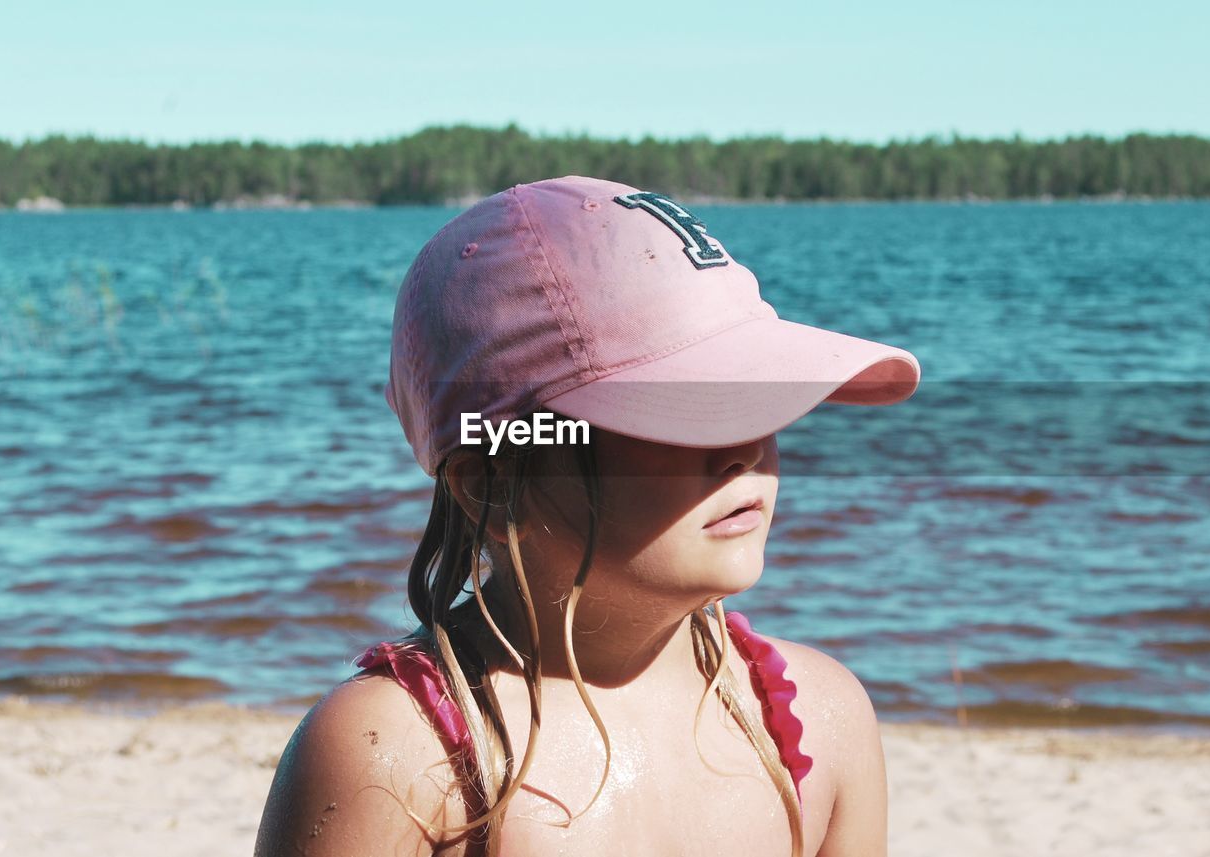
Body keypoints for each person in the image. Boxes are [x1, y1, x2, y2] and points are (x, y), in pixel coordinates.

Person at [255, 175, 921, 857]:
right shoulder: (397, 758)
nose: (747, 447)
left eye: (757, 394)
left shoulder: (821, 722)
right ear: (491, 478)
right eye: (684, 411)